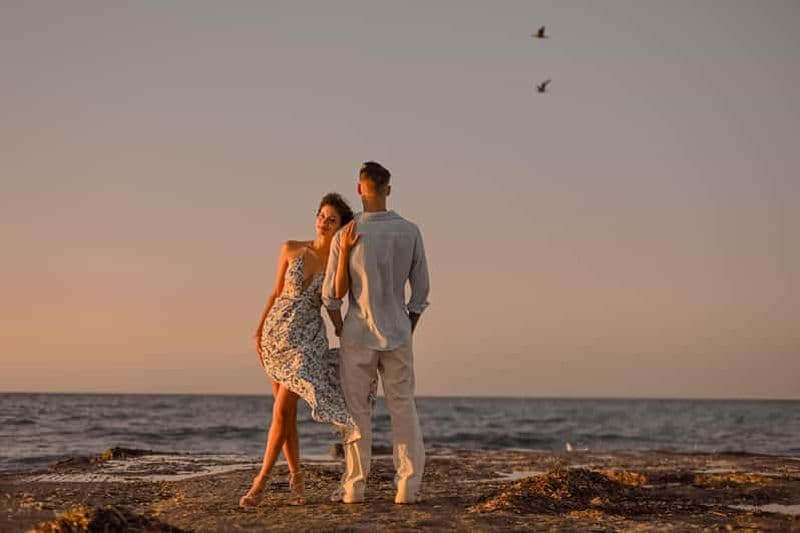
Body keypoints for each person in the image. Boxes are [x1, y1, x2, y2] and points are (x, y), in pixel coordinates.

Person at [239, 193, 359, 508]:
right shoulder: (291, 248)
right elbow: (277, 291)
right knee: (286, 413)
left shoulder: (337, 262)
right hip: (276, 336)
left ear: (341, 227)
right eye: (321, 215)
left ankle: (260, 482)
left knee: (280, 411)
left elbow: (338, 296)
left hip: (306, 342)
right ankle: (297, 481)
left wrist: (341, 328)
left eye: (332, 219)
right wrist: (259, 329)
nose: (324, 222)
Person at [323, 161, 430, 504]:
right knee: (403, 408)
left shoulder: (346, 234)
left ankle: (355, 487)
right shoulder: (410, 231)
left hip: (357, 332)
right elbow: (421, 294)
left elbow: (331, 296)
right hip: (398, 330)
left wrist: (340, 328)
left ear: (359, 189)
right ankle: (407, 487)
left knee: (356, 412)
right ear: (389, 189)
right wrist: (407, 326)